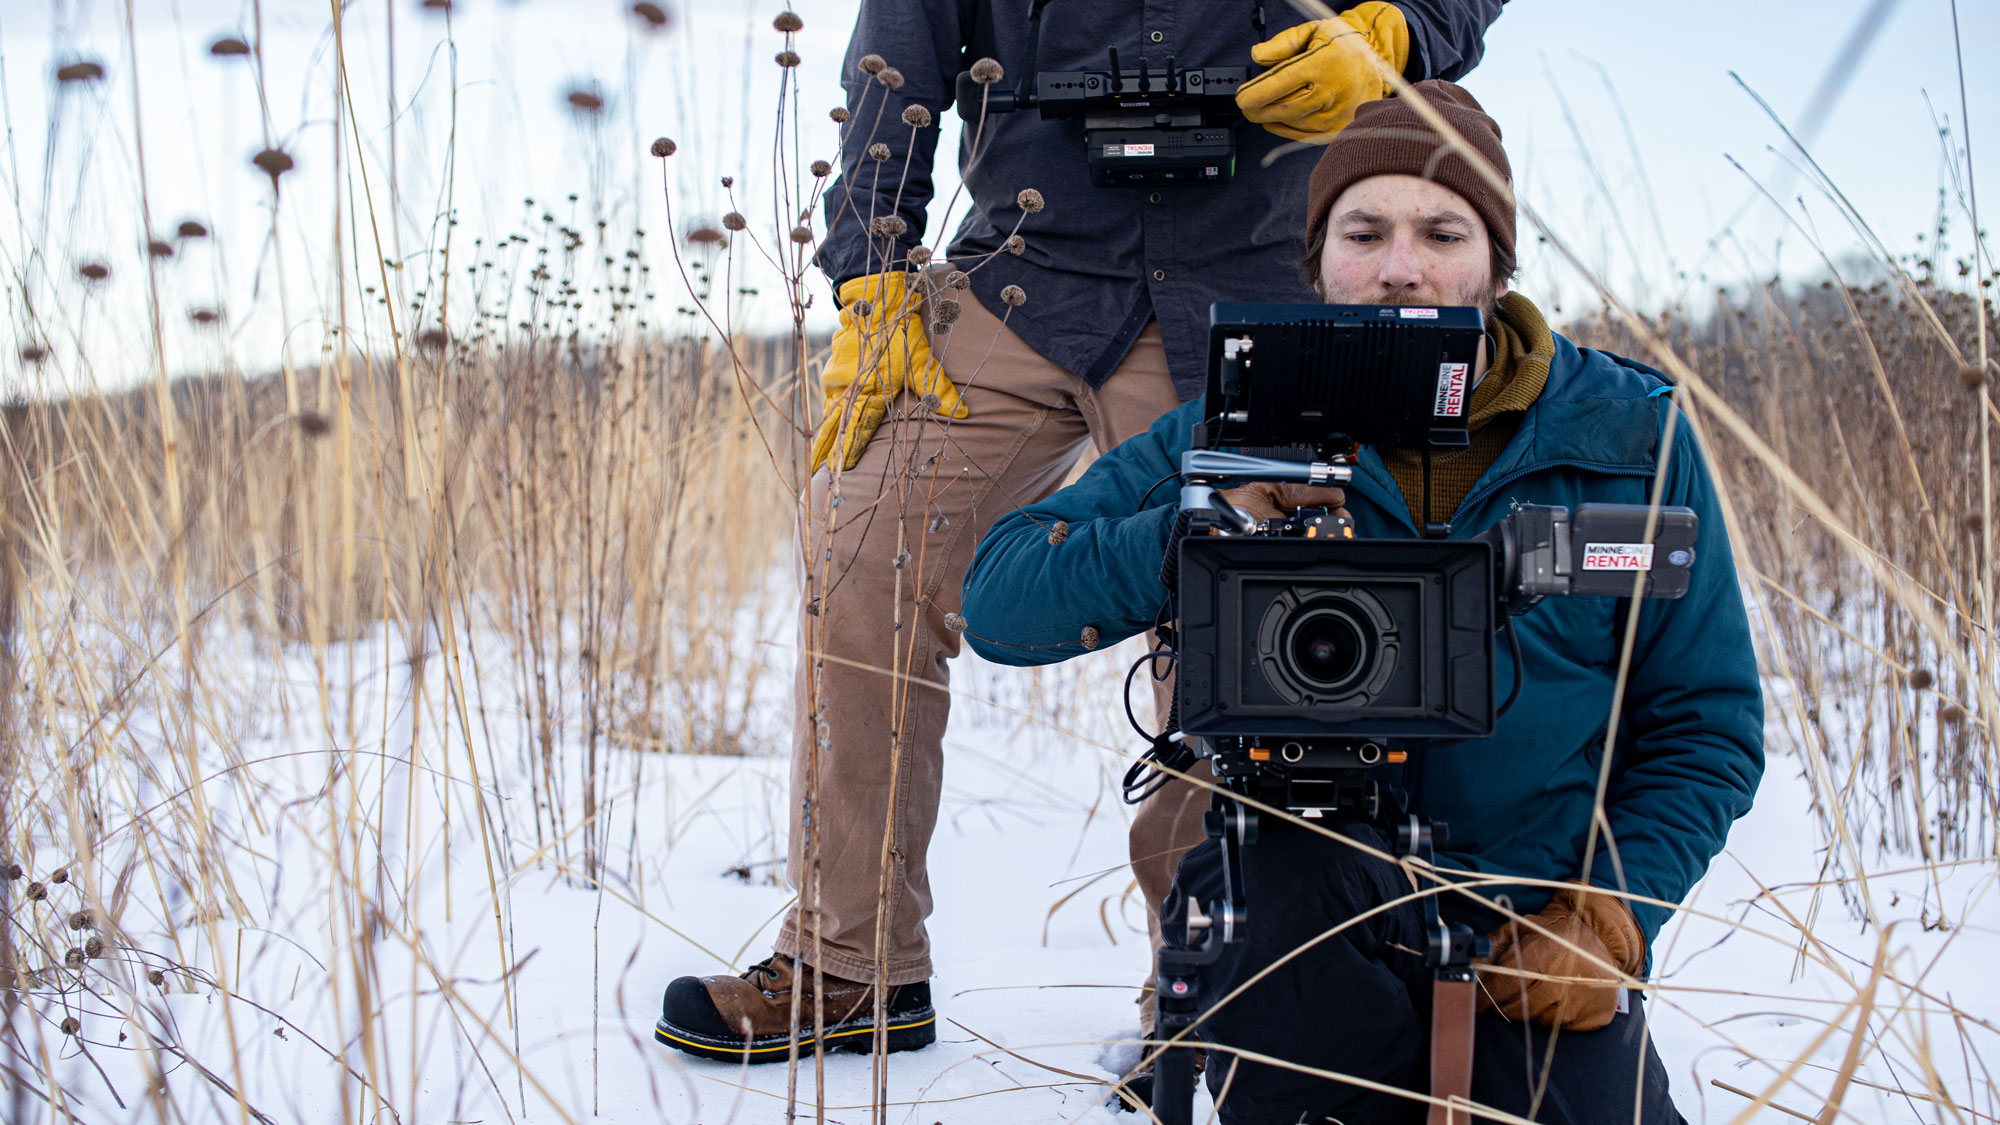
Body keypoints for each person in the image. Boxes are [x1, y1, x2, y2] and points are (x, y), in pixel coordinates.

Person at [653, 2, 1509, 1065]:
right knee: (861, 556)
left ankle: (1211, 998)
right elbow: (904, 32)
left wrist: (1399, 28)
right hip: (1021, 268)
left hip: (1250, 278)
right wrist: (869, 258)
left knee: (1246, 629)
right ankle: (849, 966)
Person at [958, 81, 1765, 1122]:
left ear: (1494, 258)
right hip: (1296, 906)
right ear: (1317, 260)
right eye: (1363, 231)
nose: (1400, 266)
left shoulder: (1625, 434)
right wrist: (1199, 531)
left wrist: (1609, 916)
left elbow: (1704, 721)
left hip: (1534, 913)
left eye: (1440, 230)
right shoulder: (1235, 423)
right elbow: (1000, 601)